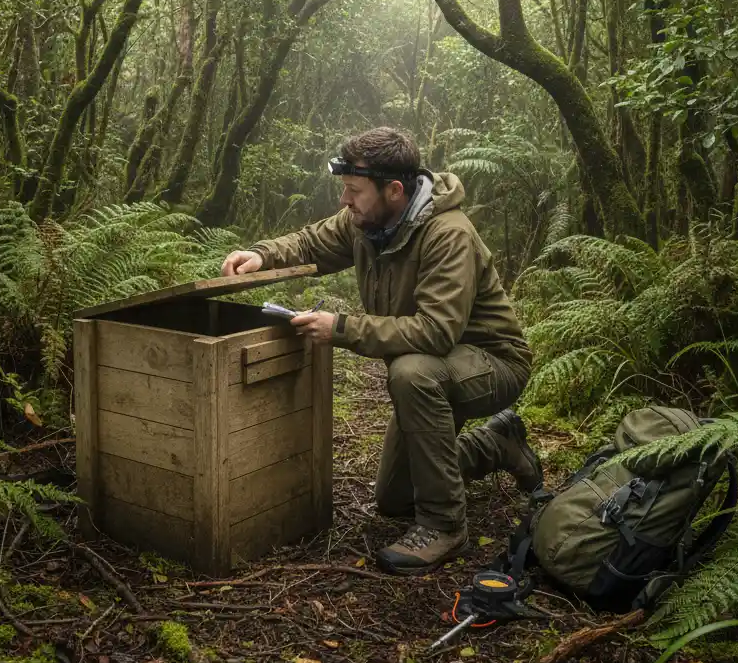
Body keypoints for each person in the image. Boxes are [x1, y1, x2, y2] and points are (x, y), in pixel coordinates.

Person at [221, 127, 543, 576]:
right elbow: (312, 241)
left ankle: (445, 526)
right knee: (393, 499)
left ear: (394, 190)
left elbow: (435, 332)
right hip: (434, 366)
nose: (344, 201)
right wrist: (261, 254)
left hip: (491, 362)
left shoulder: (448, 235)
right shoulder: (369, 222)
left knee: (412, 374)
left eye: (354, 191)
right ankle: (498, 444)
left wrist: (343, 328)